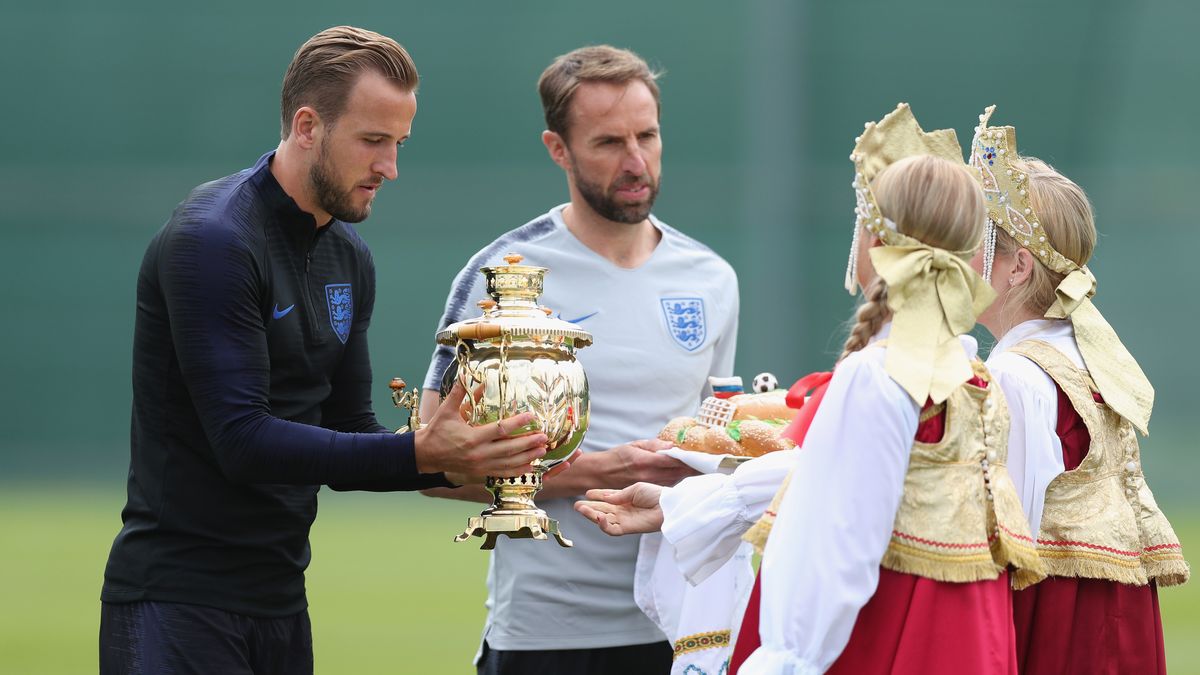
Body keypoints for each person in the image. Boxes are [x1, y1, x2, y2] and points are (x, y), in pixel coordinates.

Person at [98, 26, 554, 675]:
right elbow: (242, 440)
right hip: (176, 604)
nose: (390, 166)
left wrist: (474, 459)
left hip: (281, 606)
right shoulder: (213, 241)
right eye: (373, 140)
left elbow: (348, 437)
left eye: (399, 143)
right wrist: (421, 451)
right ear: (308, 125)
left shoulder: (348, 255)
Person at [577, 104, 1046, 674]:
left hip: (891, 636)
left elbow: (838, 547)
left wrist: (783, 662)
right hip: (966, 640)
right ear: (971, 255)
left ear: (873, 242)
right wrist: (683, 502)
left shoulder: (880, 374)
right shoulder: (973, 374)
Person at [419, 45, 740, 675]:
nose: (635, 160)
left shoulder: (712, 278)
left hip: (688, 631)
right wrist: (600, 469)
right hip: (548, 637)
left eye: (647, 136)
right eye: (608, 142)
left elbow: (713, 438)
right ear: (557, 149)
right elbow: (430, 464)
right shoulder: (503, 276)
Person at [968, 106, 1188, 674]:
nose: (955, 260)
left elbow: (1009, 534)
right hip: (1111, 612)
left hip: (1059, 621)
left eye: (972, 244)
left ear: (1016, 269)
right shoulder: (1082, 348)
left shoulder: (1017, 373)